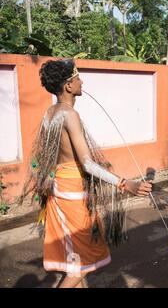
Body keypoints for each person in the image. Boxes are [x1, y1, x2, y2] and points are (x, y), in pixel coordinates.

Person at [21, 59, 152, 288]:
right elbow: (88, 164)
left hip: (59, 188)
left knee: (75, 262)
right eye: (78, 77)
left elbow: (48, 158)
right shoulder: (70, 115)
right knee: (82, 264)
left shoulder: (49, 113)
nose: (82, 81)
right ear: (68, 86)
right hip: (73, 192)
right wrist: (124, 183)